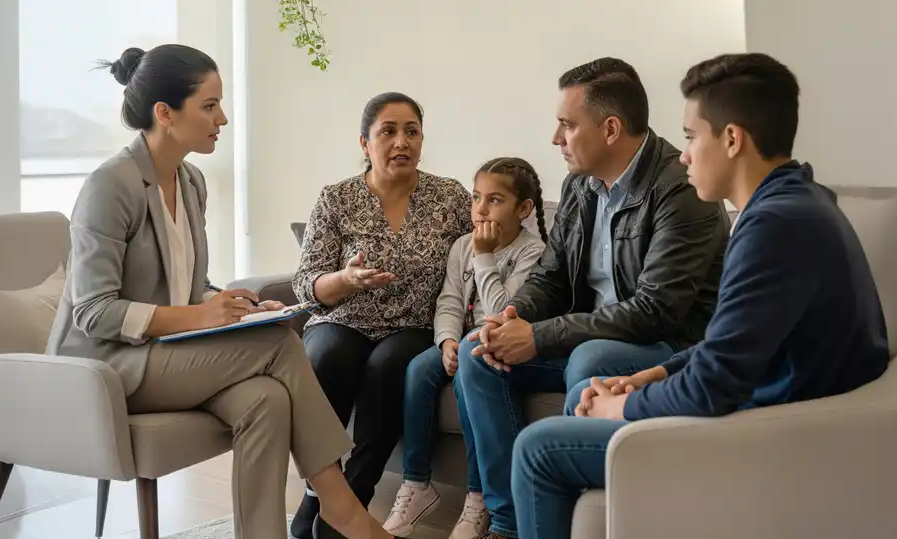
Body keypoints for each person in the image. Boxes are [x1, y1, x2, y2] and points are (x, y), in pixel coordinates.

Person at [510, 52, 891, 539]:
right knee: (587, 394)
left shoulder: (774, 226)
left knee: (539, 450)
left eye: (692, 137)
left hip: (773, 434)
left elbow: (715, 384)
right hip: (769, 410)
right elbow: (728, 346)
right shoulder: (794, 203)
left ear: (731, 139)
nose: (684, 154)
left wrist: (621, 408)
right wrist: (650, 376)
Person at [46, 44, 394, 539]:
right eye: (209, 106)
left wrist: (239, 306)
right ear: (165, 113)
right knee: (279, 344)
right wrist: (199, 316)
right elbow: (93, 312)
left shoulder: (190, 182)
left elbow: (189, 287)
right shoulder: (111, 186)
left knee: (267, 398)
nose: (223, 118)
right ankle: (339, 504)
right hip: (106, 365)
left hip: (161, 352)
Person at [455, 58, 730, 538]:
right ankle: (507, 522)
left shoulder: (680, 189)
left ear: (610, 128)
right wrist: (516, 317)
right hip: (591, 332)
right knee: (478, 350)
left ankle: (571, 514)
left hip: (669, 344)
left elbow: (656, 311)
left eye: (566, 124)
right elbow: (552, 276)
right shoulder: (579, 185)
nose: (555, 138)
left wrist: (539, 337)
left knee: (590, 358)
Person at [291, 92, 473, 539]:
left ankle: (352, 499)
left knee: (388, 367)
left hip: (412, 324)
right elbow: (306, 282)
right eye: (388, 131)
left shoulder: (449, 197)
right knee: (326, 356)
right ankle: (319, 492)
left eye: (411, 131)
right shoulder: (336, 199)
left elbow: (477, 259)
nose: (401, 142)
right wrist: (345, 281)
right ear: (364, 143)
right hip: (342, 316)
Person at [382, 158, 548, 539]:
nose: (480, 209)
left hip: (496, 340)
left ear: (523, 209)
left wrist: (485, 256)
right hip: (464, 339)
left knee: (468, 377)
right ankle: (416, 482)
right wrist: (447, 341)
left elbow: (503, 310)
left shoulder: (532, 252)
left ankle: (477, 497)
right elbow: (450, 301)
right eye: (476, 198)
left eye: (494, 200)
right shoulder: (462, 246)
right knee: (418, 370)